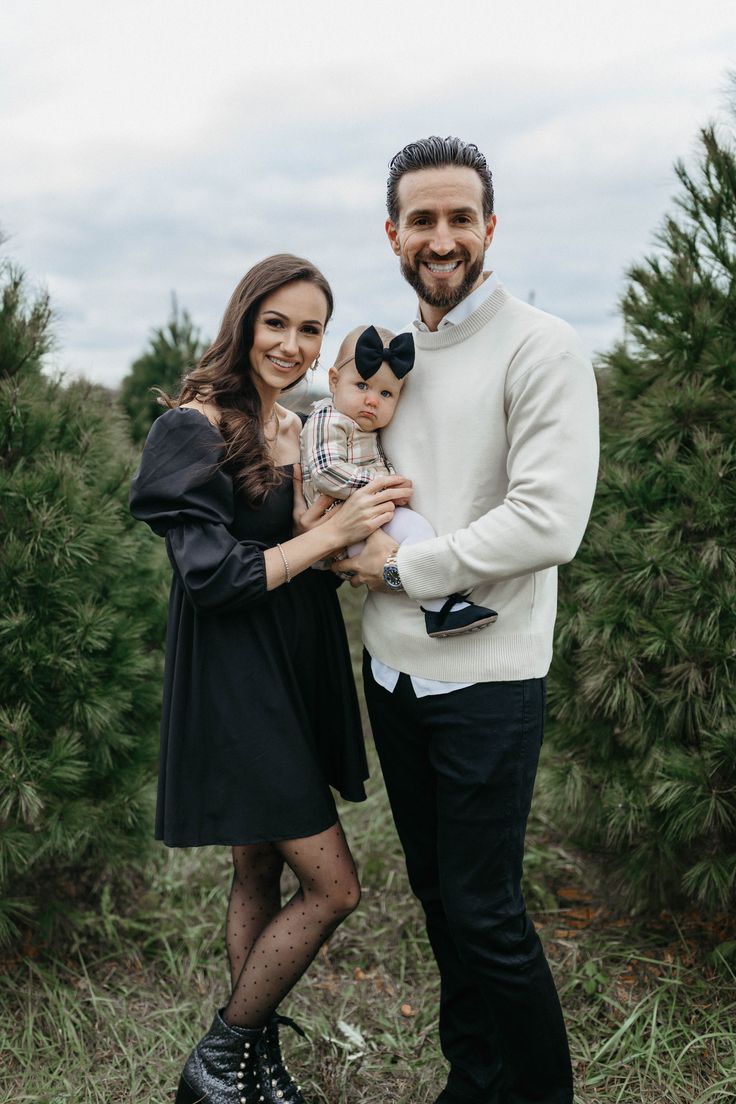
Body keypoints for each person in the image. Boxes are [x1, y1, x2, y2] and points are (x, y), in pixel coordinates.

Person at [336, 137, 600, 1104]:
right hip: (395, 674)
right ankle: (473, 1082)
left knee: (487, 911)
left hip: (489, 679)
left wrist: (402, 565)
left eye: (459, 218)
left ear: (490, 228)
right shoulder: (384, 363)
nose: (440, 238)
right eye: (421, 220)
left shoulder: (542, 347)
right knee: (441, 902)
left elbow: (548, 521)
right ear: (394, 235)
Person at [129, 254, 407, 1104]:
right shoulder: (195, 426)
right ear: (245, 320)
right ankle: (223, 1054)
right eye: (276, 322)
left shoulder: (300, 427)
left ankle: (250, 1066)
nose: (290, 343)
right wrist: (328, 537)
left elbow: (296, 550)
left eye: (310, 328)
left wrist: (345, 545)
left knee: (259, 870)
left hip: (295, 661)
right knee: (334, 885)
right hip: (239, 676)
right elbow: (211, 576)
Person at [301, 323, 498, 638]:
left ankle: (441, 599)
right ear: (334, 381)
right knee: (417, 531)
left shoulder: (366, 430)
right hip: (340, 522)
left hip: (361, 519)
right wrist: (384, 488)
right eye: (362, 386)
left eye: (386, 393)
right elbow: (326, 471)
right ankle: (438, 607)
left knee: (414, 536)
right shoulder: (328, 420)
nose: (372, 401)